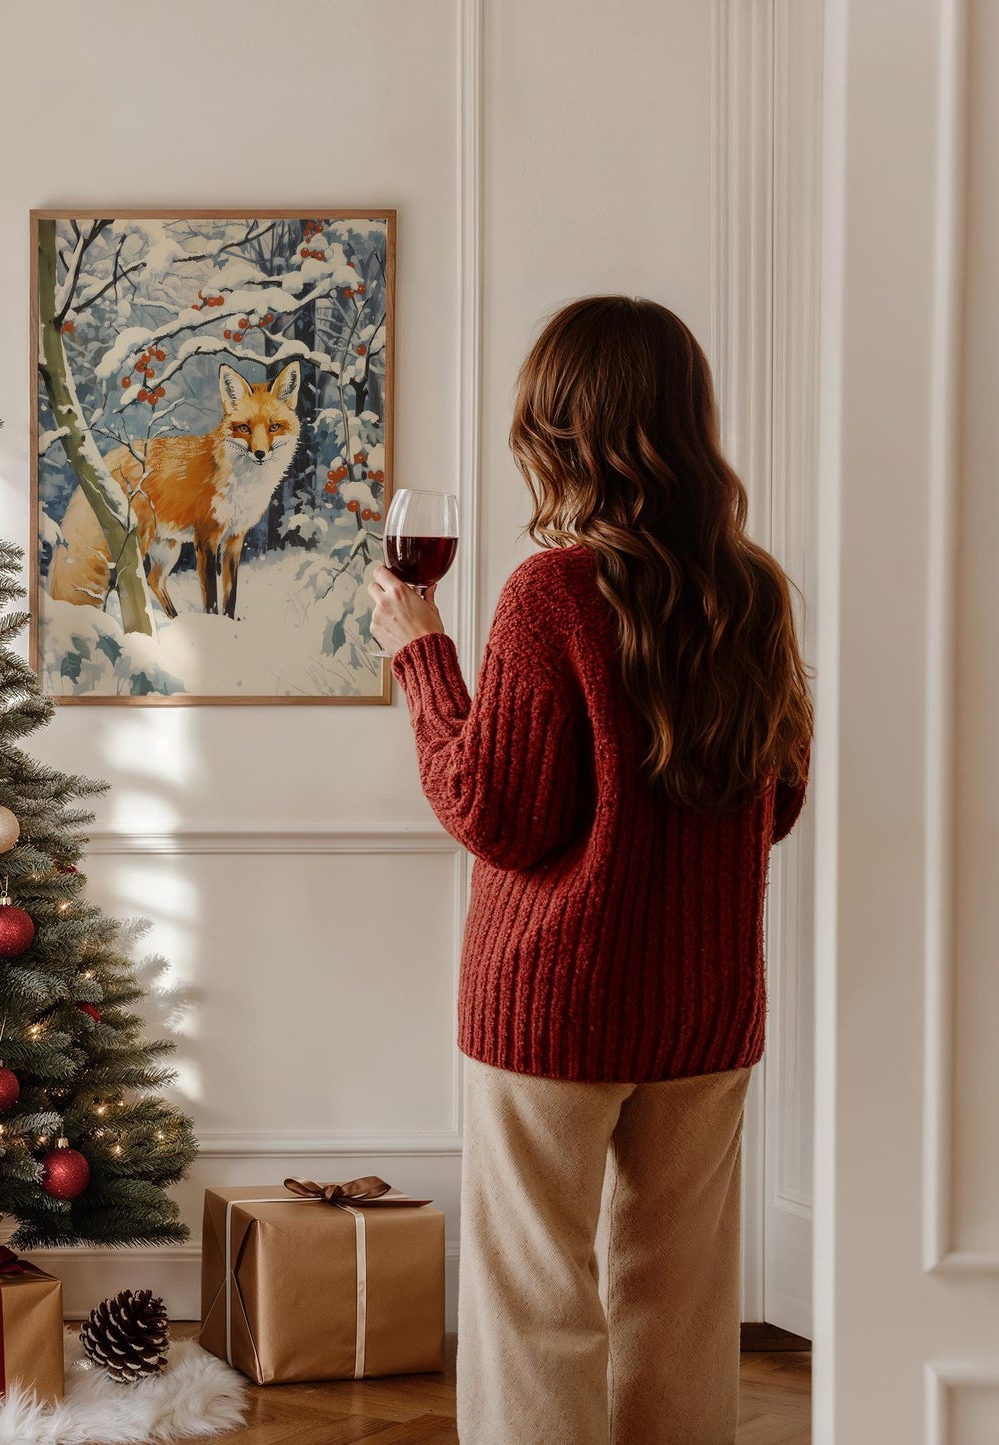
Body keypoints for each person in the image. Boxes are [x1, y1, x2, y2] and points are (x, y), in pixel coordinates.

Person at [369, 296, 813, 1445]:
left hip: (550, 1008)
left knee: (536, 1296)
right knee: (679, 1300)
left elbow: (494, 813)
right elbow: (778, 800)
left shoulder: (548, 593)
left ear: (560, 428)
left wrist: (418, 653)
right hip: (703, 1011)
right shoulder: (750, 589)